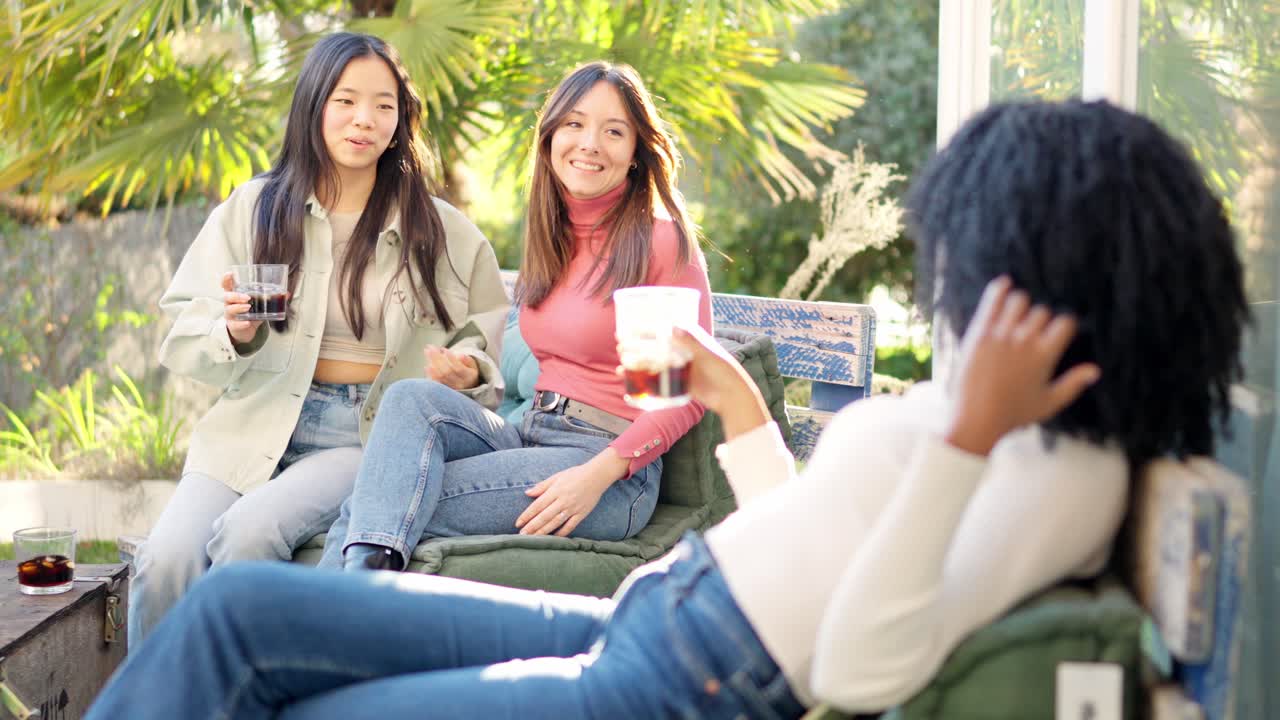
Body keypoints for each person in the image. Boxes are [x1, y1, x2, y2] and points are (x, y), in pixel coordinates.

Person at [86, 99, 1248, 720]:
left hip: (666, 681)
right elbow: (821, 547)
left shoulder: (1056, 472)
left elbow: (855, 662)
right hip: (647, 613)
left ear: (1066, 267)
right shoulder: (1011, 426)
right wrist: (743, 409)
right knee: (237, 611)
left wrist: (958, 438)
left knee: (287, 698)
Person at [130, 32, 508, 643]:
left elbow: (484, 336)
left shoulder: (440, 229)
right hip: (255, 420)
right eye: (346, 100)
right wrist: (234, 329)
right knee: (165, 559)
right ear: (314, 105)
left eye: (384, 105)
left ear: (400, 119)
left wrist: (466, 368)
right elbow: (183, 330)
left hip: (366, 432)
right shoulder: (253, 209)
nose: (365, 120)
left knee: (248, 533)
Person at [315, 60, 712, 571]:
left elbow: (684, 394)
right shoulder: (555, 236)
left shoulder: (658, 241)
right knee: (410, 399)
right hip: (531, 433)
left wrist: (597, 475)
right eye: (574, 124)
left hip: (609, 472)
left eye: (614, 131)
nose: (589, 143)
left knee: (381, 504)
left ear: (636, 152)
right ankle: (331, 625)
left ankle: (321, 628)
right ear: (549, 139)